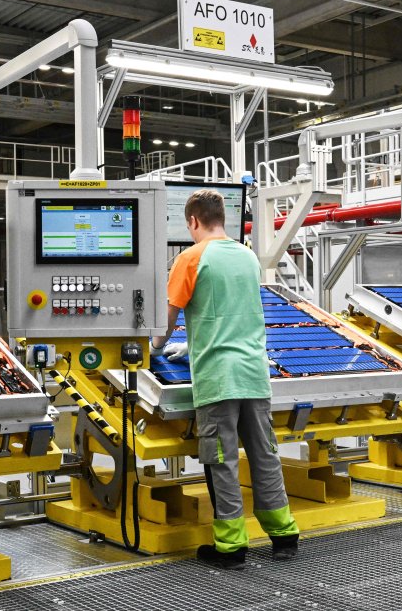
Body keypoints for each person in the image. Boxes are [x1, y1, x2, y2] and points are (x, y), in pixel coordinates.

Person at [153, 189, 300, 569]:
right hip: (254, 373)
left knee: (222, 461)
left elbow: (164, 325)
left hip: (219, 377)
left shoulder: (190, 257)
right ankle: (284, 534)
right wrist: (194, 338)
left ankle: (231, 547)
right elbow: (230, 311)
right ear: (222, 218)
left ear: (193, 221)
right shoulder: (248, 256)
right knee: (265, 455)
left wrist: (147, 349)